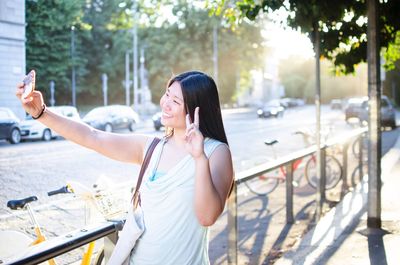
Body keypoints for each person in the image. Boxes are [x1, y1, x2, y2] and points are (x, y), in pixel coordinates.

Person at [16, 70, 234, 264]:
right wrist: (41, 112)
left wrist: (199, 158)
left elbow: (207, 217)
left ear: (197, 110)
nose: (165, 103)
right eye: (167, 94)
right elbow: (93, 137)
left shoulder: (216, 153)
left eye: (176, 101)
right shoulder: (151, 147)